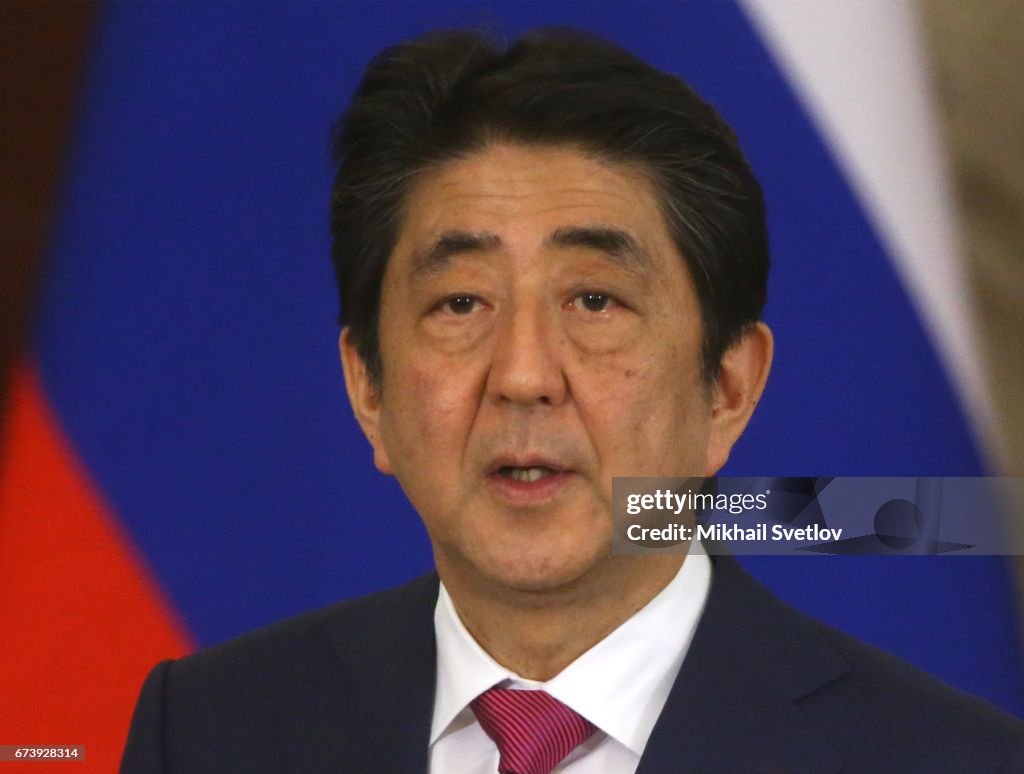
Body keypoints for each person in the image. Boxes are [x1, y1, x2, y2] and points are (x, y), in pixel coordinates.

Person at [121, 28, 1024, 773]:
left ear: (728, 387)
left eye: (595, 301)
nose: (523, 374)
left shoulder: (943, 759)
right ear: (368, 388)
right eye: (461, 303)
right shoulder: (209, 733)